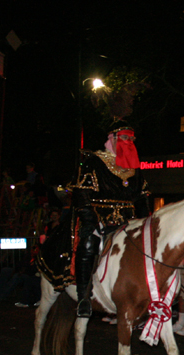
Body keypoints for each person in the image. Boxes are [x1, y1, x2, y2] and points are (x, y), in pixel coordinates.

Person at [69, 127, 150, 317]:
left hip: (129, 221)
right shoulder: (94, 163)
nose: (128, 141)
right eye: (124, 137)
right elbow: (81, 193)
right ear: (112, 139)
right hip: (101, 218)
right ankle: (83, 297)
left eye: (131, 138)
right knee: (89, 243)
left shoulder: (135, 169)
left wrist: (147, 221)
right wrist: (89, 218)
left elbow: (141, 198)